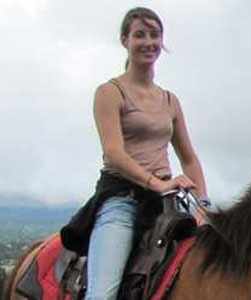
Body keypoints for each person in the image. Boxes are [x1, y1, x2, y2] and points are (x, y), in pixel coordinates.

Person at [59, 7, 208, 300]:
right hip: (122, 200)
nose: (148, 42)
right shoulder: (110, 92)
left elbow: (188, 158)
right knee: (102, 295)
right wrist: (158, 183)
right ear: (124, 40)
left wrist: (202, 204)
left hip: (166, 204)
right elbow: (114, 153)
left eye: (155, 35)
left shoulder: (169, 100)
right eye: (140, 34)